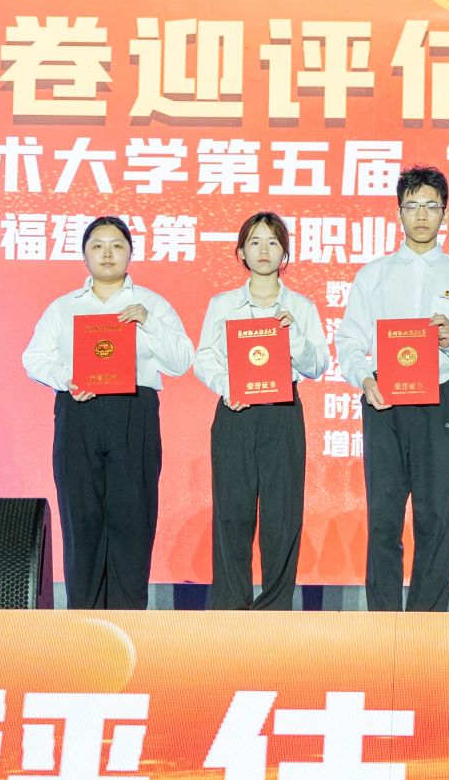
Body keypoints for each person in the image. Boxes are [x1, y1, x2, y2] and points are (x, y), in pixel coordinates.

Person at [333, 166, 449, 611]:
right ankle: (384, 618)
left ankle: (428, 619)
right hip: (384, 400)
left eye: (431, 206)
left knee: (435, 515)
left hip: (438, 399)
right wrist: (365, 379)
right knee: (383, 515)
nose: (421, 215)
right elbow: (349, 341)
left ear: (446, 213)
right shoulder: (374, 275)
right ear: (398, 212)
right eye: (412, 206)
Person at [22, 215, 193, 610]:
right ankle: (83, 615)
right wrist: (66, 378)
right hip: (79, 410)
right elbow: (33, 358)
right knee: (81, 514)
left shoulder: (152, 303)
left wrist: (147, 323)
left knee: (133, 515)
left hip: (134, 411)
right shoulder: (63, 307)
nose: (107, 253)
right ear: (84, 255)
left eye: (117, 245)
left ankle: (128, 614)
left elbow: (181, 361)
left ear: (130, 253)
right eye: (97, 245)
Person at [192, 212, 329, 611]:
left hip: (281, 413)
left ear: (285, 253)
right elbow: (204, 358)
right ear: (241, 252)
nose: (263, 250)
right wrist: (228, 386)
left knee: (281, 516)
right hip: (235, 412)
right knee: (232, 513)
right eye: (254, 242)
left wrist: (294, 335)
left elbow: (317, 365)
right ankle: (231, 607)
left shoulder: (301, 307)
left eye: (273, 242)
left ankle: (275, 608)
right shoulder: (223, 305)